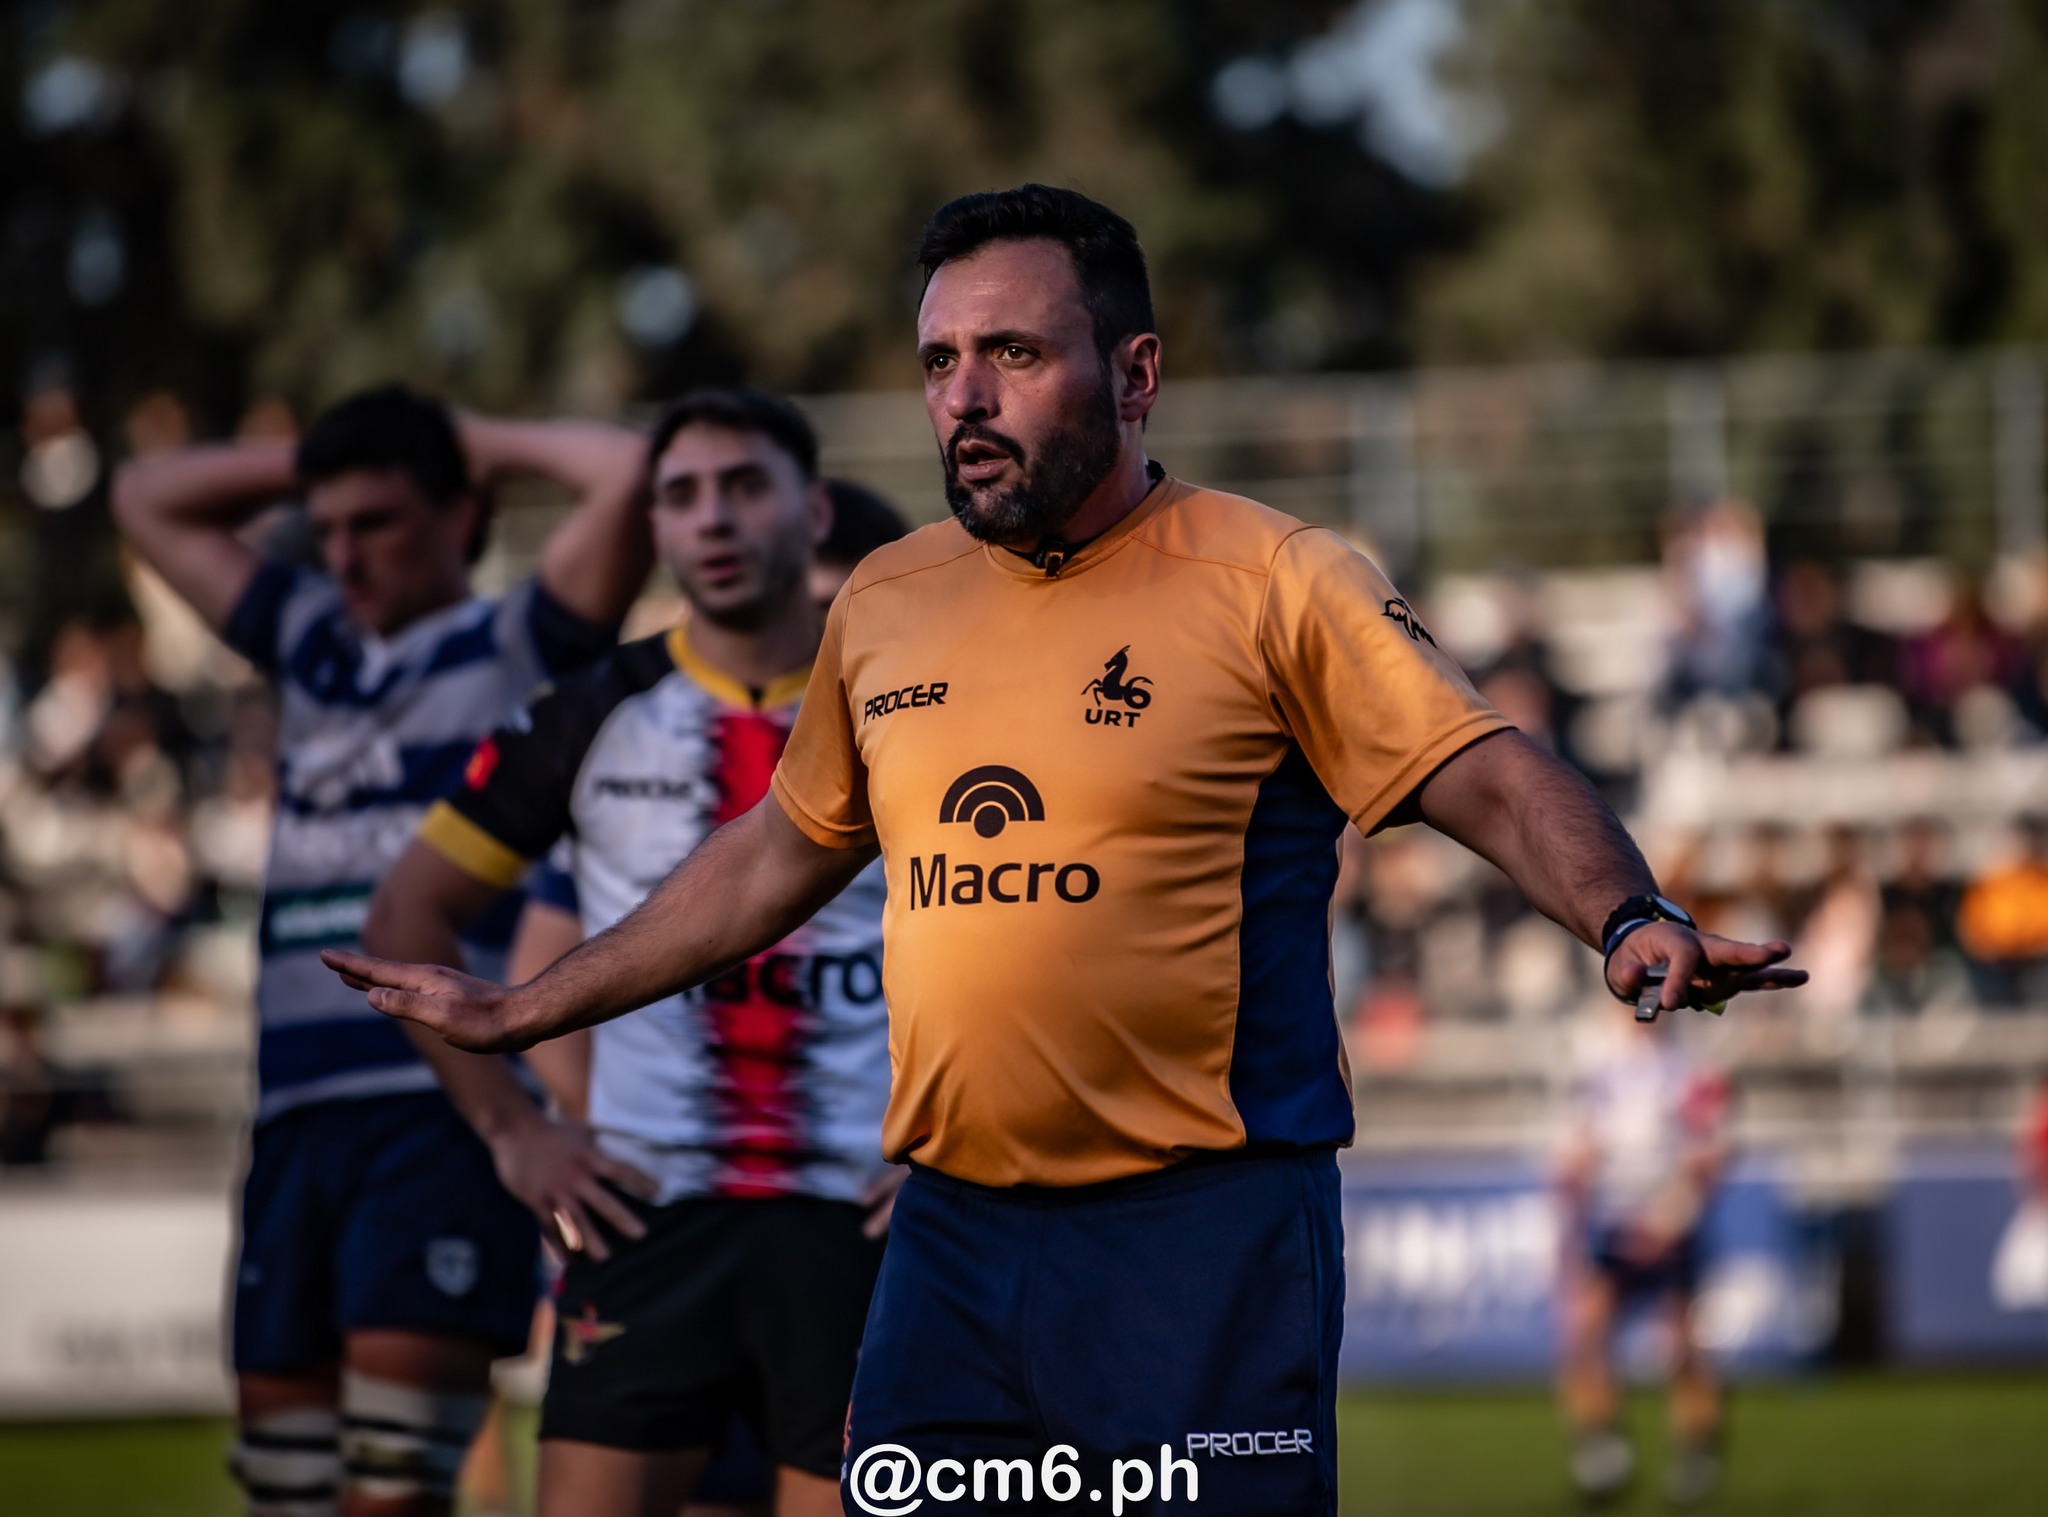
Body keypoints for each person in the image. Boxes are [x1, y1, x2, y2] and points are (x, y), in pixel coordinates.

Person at [326, 186, 1805, 1517]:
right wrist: (533, 1008)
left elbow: (1477, 769)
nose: (963, 398)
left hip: (1202, 1233)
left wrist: (1625, 914)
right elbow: (780, 850)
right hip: (953, 1241)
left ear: (1136, 374)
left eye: (1014, 357)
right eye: (938, 364)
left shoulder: (1275, 578)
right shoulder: (888, 599)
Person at [113, 385, 650, 1517]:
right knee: (284, 1486)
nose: (344, 555)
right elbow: (142, 495)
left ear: (458, 517)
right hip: (294, 1111)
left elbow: (630, 471)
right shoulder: (308, 636)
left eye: (380, 522)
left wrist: (469, 442)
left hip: (438, 1108)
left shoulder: (517, 637)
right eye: (330, 527)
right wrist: (319, 464)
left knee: (396, 1487)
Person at [358, 387, 895, 1517]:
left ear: (811, 510)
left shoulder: (916, 703)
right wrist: (516, 1132)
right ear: (651, 524)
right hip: (647, 1212)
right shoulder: (591, 711)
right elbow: (404, 917)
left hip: (864, 1217)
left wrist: (964, 1140)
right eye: (680, 496)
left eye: (745, 486)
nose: (712, 519)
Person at [1556, 1012, 1731, 1507]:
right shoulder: (1597, 1056)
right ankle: (1602, 1448)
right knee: (1587, 1330)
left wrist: (1669, 1217)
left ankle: (1697, 1454)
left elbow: (1710, 1153)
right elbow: (1578, 1143)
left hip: (1671, 1220)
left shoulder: (1694, 1062)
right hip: (1614, 1217)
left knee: (1682, 1344)